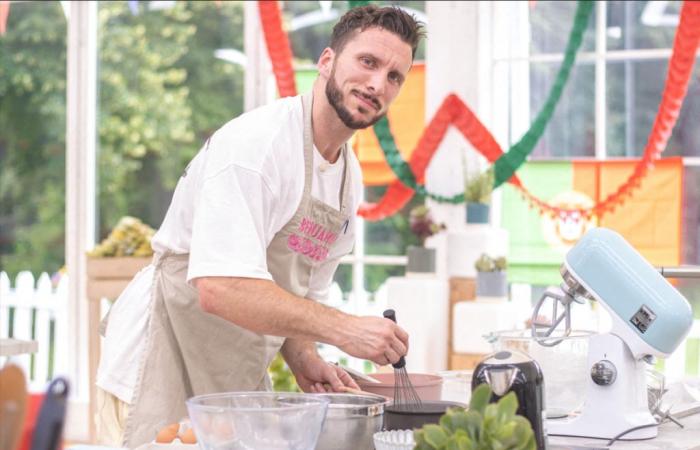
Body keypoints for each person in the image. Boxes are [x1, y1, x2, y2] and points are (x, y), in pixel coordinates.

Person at [95, 5, 425, 447]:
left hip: (228, 376)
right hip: (156, 364)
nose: (376, 84)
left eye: (394, 76)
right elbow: (221, 286)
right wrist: (345, 328)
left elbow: (296, 297)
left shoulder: (348, 181)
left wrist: (303, 354)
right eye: (368, 62)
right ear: (327, 61)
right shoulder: (258, 146)